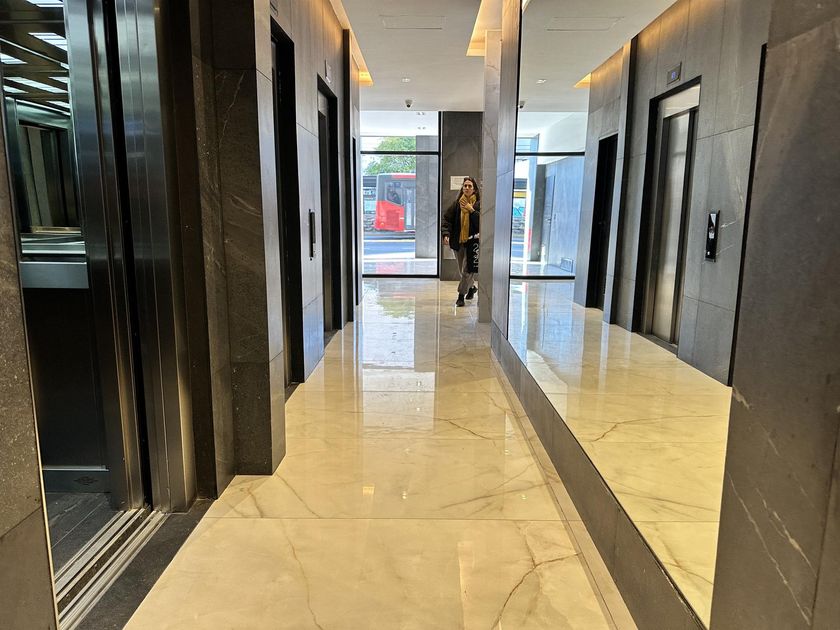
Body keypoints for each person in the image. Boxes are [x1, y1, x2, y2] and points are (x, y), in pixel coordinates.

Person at [442, 177, 480, 307]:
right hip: (458, 243)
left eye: (470, 186)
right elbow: (447, 219)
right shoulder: (457, 204)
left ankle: (460, 296)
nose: (467, 188)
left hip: (472, 243)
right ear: (462, 188)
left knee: (466, 271)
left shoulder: (478, 204)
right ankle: (472, 288)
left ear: (474, 189)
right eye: (465, 186)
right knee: (462, 271)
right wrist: (446, 234)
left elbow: (481, 223)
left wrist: (471, 210)